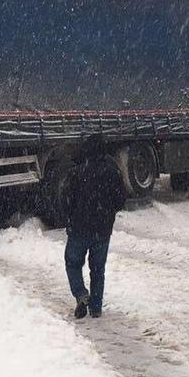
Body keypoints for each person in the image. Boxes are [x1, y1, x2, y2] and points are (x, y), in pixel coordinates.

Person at [61, 133, 127, 319]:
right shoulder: (112, 172)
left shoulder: (76, 173)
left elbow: (66, 200)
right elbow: (120, 200)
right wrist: (108, 213)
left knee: (73, 263)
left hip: (79, 229)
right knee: (98, 270)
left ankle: (81, 294)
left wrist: (70, 218)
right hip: (103, 230)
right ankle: (96, 308)